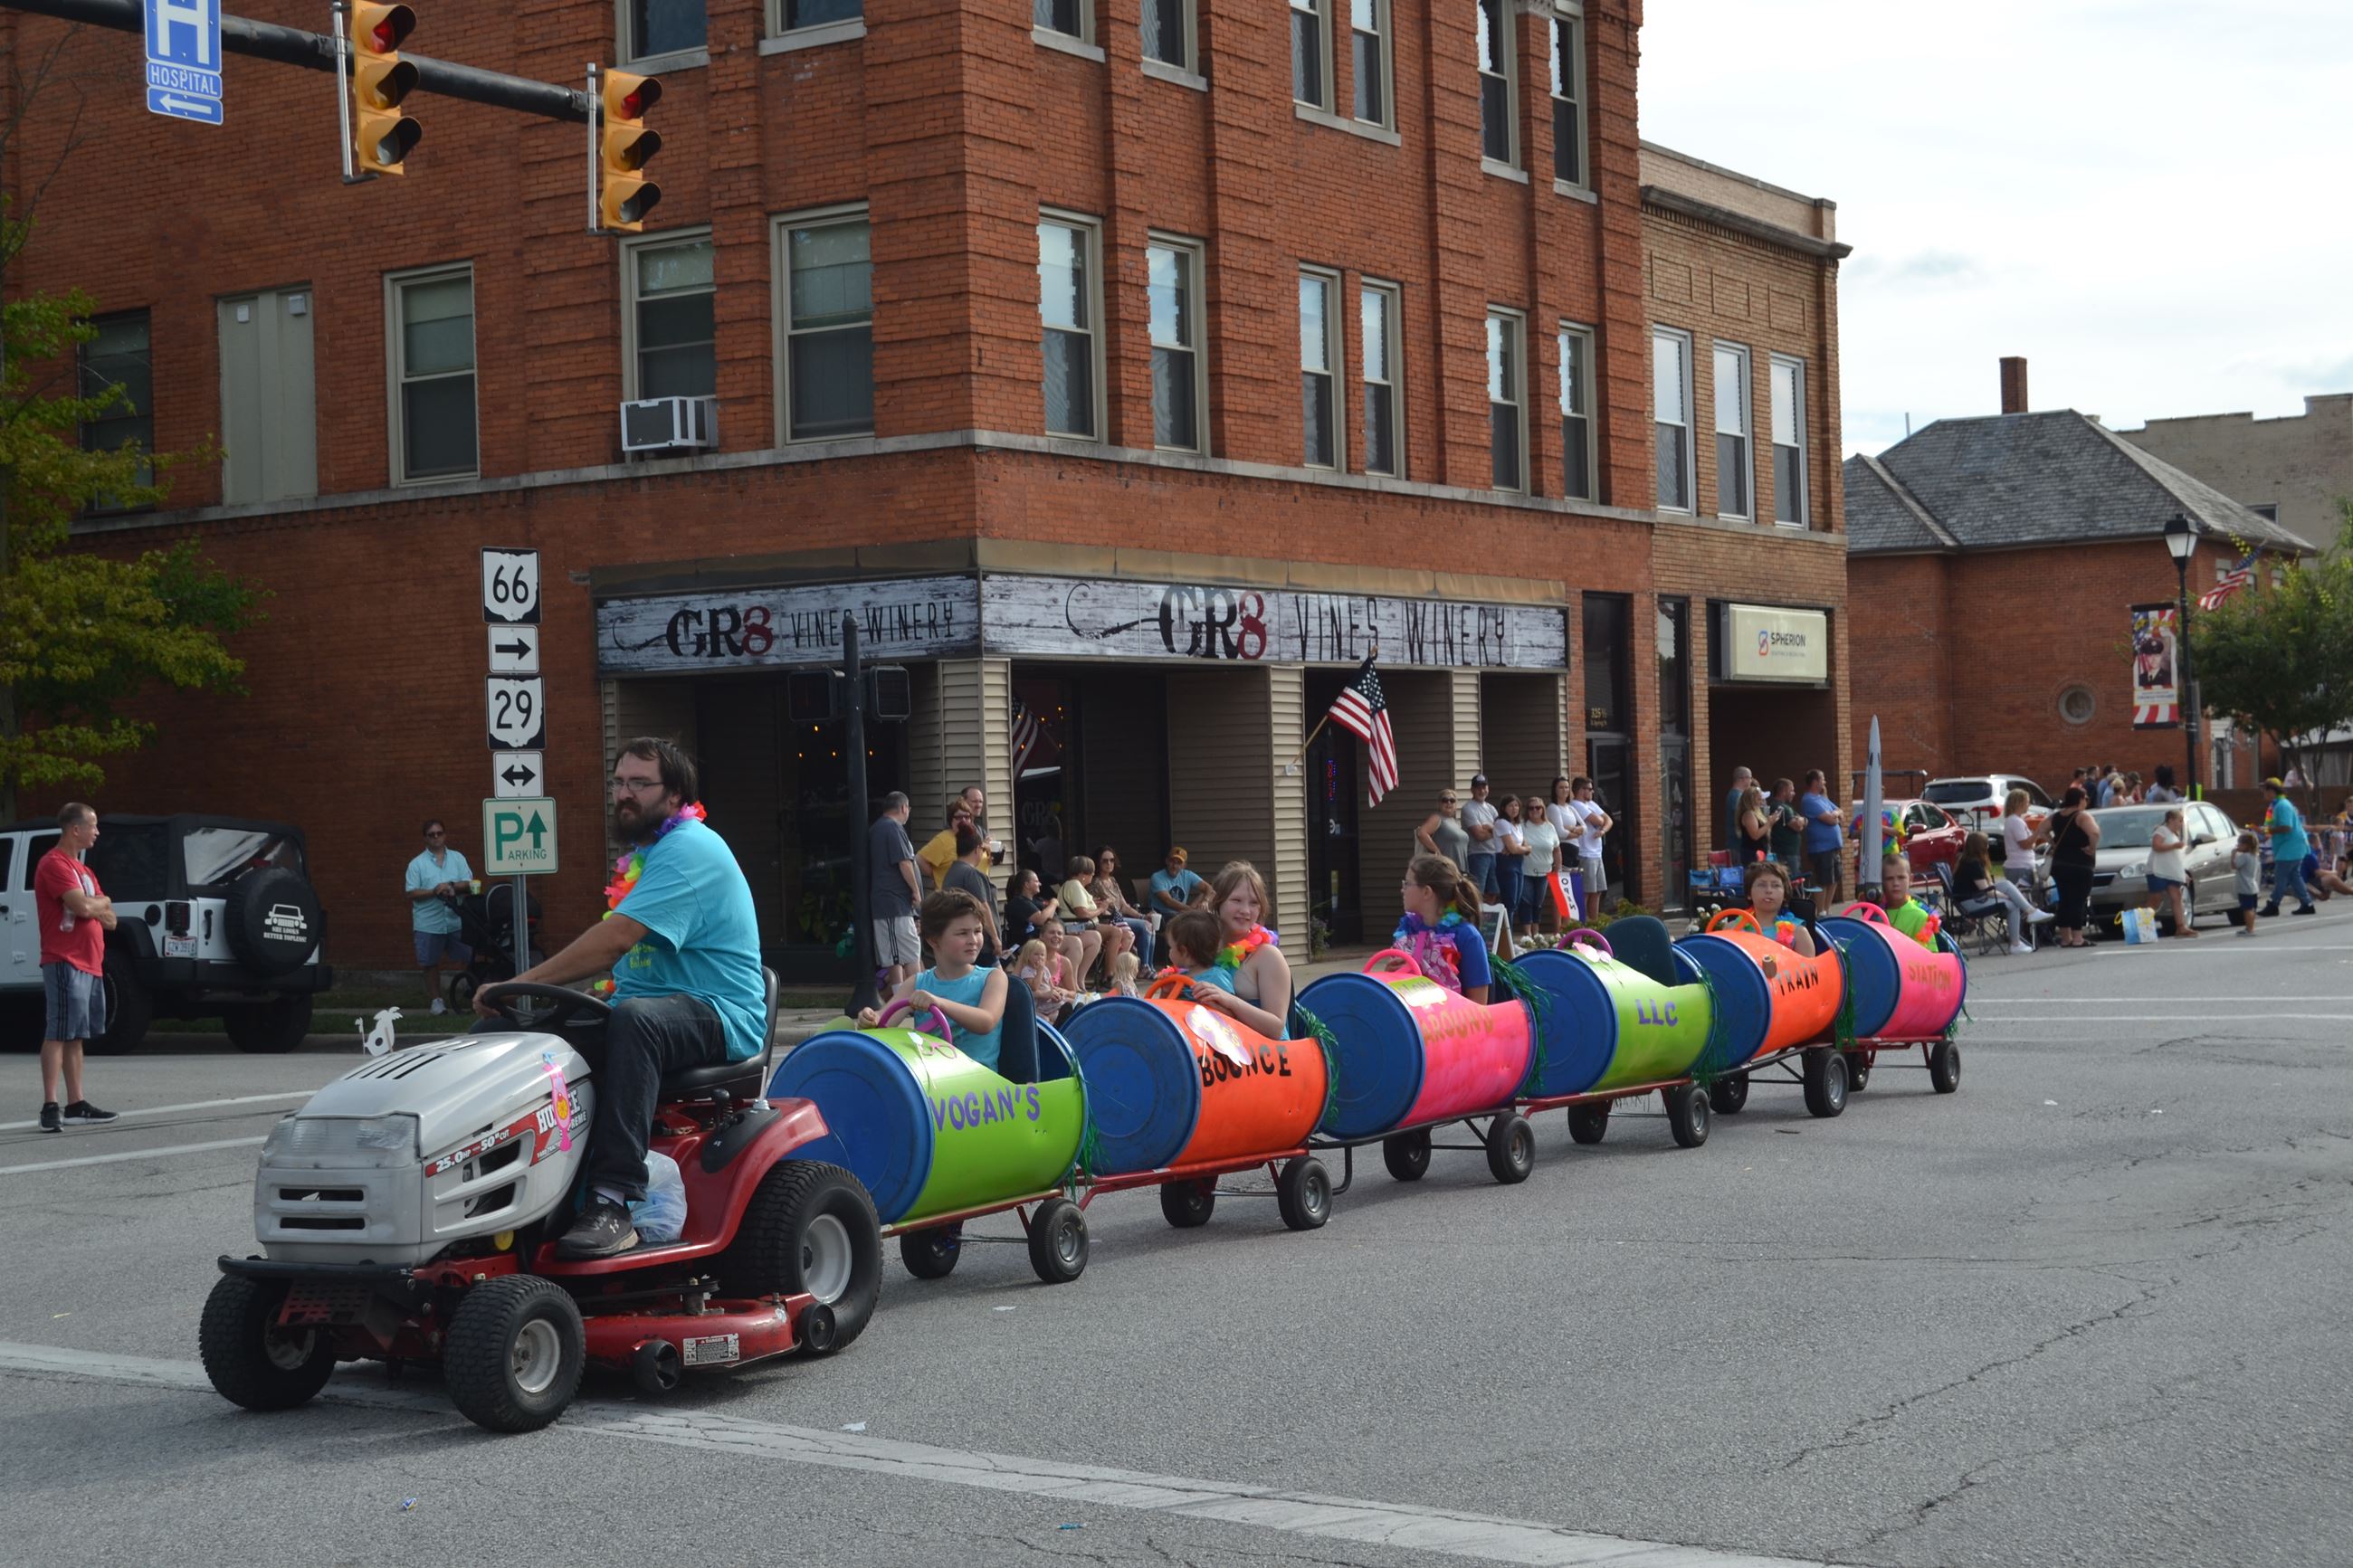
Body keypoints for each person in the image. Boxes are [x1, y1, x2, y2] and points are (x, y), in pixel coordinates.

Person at [479, 738, 765, 1259]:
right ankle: (496, 1189)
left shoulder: (689, 849)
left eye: (640, 783)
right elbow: (623, 966)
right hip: (649, 1008)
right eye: (619, 782)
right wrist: (533, 1006)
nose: (624, 794)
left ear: (676, 795)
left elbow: (615, 940)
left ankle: (613, 1202)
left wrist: (516, 982)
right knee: (500, 1037)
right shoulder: (647, 857)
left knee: (636, 1021)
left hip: (720, 1013)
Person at [33, 803, 119, 1134]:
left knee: (77, 1035)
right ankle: (50, 1106)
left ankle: (76, 1104)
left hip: (90, 961)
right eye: (93, 826)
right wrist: (99, 904)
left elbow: (110, 920)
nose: (97, 832)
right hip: (64, 959)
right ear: (75, 829)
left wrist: (99, 905)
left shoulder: (84, 871)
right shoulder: (54, 863)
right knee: (58, 1030)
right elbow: (83, 906)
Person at [860, 890, 1009, 1071]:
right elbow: (882, 1023)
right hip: (931, 1081)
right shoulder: (917, 983)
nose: (973, 940)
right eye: (962, 933)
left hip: (980, 1087)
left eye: (977, 931)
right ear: (934, 940)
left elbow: (987, 1021)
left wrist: (939, 1003)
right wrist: (869, 1018)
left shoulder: (993, 978)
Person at [1186, 862, 1291, 1037]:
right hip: (1216, 1054)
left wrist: (1229, 1000)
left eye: (1254, 903)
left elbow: (1276, 1028)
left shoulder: (1268, 956)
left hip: (1268, 1058)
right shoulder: (1203, 950)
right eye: (1236, 900)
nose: (1245, 910)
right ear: (1218, 903)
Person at [1394, 853, 1491, 1002]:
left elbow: (1479, 1004)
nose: (1402, 890)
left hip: (1456, 1021)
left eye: (1407, 884)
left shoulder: (1467, 936)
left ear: (1426, 892)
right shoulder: (1409, 931)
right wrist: (1393, 975)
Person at [405, 818, 475, 1013]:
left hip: (455, 920)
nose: (436, 837)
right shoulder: (416, 864)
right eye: (431, 834)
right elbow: (411, 893)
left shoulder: (458, 858)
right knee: (430, 963)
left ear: (445, 835)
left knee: (468, 958)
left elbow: (469, 883)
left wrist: (451, 886)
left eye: (439, 833)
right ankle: (436, 1001)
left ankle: (471, 993)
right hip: (428, 923)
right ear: (425, 838)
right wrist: (434, 891)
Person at [1953, 830, 2046, 955]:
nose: (1988, 847)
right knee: (2012, 905)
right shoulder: (1973, 864)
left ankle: (2031, 912)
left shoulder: (1968, 860)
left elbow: (1988, 887)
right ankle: (2015, 943)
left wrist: (2007, 894)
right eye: (1986, 844)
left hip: (1973, 898)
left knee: (2006, 884)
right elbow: (1987, 891)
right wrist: (2008, 897)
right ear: (1980, 846)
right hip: (1971, 902)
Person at [869, 791, 923, 994]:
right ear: (903, 808)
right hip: (893, 904)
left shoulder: (880, 828)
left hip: (897, 905)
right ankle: (908, 998)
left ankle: (906, 997)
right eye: (908, 808)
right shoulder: (892, 828)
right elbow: (904, 862)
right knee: (904, 954)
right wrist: (915, 891)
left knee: (903, 954)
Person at [1003, 866, 1093, 981]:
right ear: (1026, 885)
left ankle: (1080, 981)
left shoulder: (1036, 901)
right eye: (1036, 881)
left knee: (1093, 937)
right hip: (1028, 944)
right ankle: (1067, 982)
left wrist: (1068, 929)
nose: (1040, 883)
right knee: (1074, 943)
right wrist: (1054, 903)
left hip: (1048, 937)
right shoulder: (1019, 902)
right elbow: (1042, 919)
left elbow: (1052, 919)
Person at [1058, 854, 1131, 980]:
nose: (1093, 875)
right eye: (1091, 872)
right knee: (1116, 932)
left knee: (1126, 935)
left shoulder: (1073, 885)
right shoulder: (1075, 886)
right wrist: (1102, 908)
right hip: (1079, 926)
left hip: (1083, 925)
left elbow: (1081, 906)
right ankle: (1109, 975)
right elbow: (1083, 913)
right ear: (1083, 874)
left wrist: (1094, 905)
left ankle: (1116, 972)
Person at [2044, 785, 2101, 947]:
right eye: (2086, 799)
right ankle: (2078, 938)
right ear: (2081, 800)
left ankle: (2065, 937)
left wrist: (2052, 842)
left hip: (2060, 863)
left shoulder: (2056, 817)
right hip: (2080, 864)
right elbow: (2094, 833)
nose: (2086, 802)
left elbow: (2041, 830)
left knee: (2065, 900)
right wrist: (2092, 847)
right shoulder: (2082, 816)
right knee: (2078, 900)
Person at [941, 823, 1001, 965]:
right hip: (980, 944)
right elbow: (983, 907)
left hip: (960, 939)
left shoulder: (951, 872)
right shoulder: (972, 874)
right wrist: (995, 938)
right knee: (997, 982)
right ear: (977, 850)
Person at [1088, 847, 1155, 968]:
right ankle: (1143, 967)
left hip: (1120, 919)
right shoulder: (1095, 883)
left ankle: (1148, 965)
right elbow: (1091, 905)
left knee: (1149, 924)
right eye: (1105, 861)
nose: (1109, 864)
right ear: (1098, 862)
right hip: (1108, 921)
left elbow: (1124, 906)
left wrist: (1143, 916)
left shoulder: (1112, 880)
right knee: (1144, 926)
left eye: (1112, 860)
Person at [2259, 778, 2316, 916]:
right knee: (2293, 876)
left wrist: (2269, 831)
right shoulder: (2279, 804)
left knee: (2281, 876)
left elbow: (2286, 827)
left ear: (2272, 791)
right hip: (2292, 846)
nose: (2263, 794)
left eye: (2265, 791)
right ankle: (2307, 903)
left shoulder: (2282, 806)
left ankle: (2273, 904)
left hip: (2290, 847)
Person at [1742, 859, 1815, 957]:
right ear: (1749, 894)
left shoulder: (1799, 933)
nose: (1769, 890)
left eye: (1775, 885)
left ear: (1785, 894)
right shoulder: (1733, 929)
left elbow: (1810, 970)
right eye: (1762, 885)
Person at [1517, 785, 1562, 943]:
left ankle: (1537, 932)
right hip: (1526, 870)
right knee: (1526, 901)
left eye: (1538, 808)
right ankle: (1527, 933)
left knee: (1538, 902)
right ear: (1527, 811)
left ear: (1543, 809)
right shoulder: (1522, 827)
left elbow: (1556, 849)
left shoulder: (1549, 827)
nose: (1535, 811)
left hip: (1545, 871)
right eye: (1531, 808)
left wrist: (1558, 868)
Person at [2145, 807, 2196, 938]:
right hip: (2157, 870)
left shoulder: (2174, 835)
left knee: (2177, 896)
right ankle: (2143, 926)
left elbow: (2175, 858)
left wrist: (2182, 873)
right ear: (2171, 820)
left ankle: (2181, 927)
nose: (2181, 824)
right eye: (2179, 820)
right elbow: (2156, 846)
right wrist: (2174, 846)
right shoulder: (2162, 831)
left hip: (2170, 871)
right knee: (2155, 898)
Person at [1566, 775, 1612, 917]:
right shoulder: (1576, 805)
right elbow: (1598, 819)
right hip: (1585, 854)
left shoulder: (1591, 804)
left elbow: (1608, 820)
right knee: (1586, 892)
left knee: (1597, 891)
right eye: (1590, 790)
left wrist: (1603, 830)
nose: (1592, 793)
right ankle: (1582, 924)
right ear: (1581, 790)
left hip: (1597, 853)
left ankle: (1594, 924)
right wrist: (1601, 822)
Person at [1797, 770, 1845, 901]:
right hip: (1821, 848)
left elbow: (1841, 812)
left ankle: (1827, 909)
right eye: (1822, 779)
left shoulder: (1822, 798)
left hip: (1834, 846)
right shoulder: (1809, 800)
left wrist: (1835, 815)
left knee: (1835, 878)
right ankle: (1820, 911)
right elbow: (1830, 820)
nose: (1824, 782)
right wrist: (1835, 816)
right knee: (1823, 880)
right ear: (1815, 782)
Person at [1159, 908, 1232, 993]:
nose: (1170, 951)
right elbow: (1163, 1005)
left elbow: (1229, 1005)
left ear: (1184, 952)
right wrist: (1166, 991)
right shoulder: (1179, 977)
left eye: (1171, 947)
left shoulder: (1217, 977)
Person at [1877, 853, 1939, 948]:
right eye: (1889, 879)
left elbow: (1931, 958)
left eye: (1901, 877)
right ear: (1881, 882)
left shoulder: (1921, 917)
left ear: (1911, 879)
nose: (1896, 883)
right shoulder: (1876, 915)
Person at [1010, 937, 1076, 1022]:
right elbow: (1034, 987)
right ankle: (1061, 1020)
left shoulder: (1045, 969)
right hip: (1038, 1004)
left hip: (1048, 1001)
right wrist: (1040, 971)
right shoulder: (1027, 970)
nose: (1040, 957)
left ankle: (1064, 1018)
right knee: (1046, 1019)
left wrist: (1057, 993)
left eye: (1042, 955)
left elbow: (1051, 986)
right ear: (1028, 956)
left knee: (1070, 1002)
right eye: (1036, 954)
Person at [915, 798, 975, 890]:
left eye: (967, 817)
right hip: (949, 896)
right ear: (951, 820)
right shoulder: (944, 839)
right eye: (958, 817)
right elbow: (919, 858)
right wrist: (936, 876)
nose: (963, 821)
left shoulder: (973, 837)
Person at [1491, 795, 1527, 942]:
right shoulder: (1502, 823)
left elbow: (1525, 845)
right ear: (1503, 808)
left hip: (1519, 863)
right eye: (1511, 806)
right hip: (1506, 864)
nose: (1514, 809)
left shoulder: (1517, 825)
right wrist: (1521, 848)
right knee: (1509, 902)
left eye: (1516, 806)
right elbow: (1511, 848)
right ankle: (1507, 939)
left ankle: (1508, 938)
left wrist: (1523, 848)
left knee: (1516, 902)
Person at [1459, 774, 1500, 898]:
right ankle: (1477, 916)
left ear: (1488, 788)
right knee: (1477, 892)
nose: (1481, 791)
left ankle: (1487, 917)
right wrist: (1494, 830)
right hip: (1478, 855)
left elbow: (1502, 830)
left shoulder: (1491, 808)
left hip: (1494, 854)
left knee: (1493, 892)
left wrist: (1490, 828)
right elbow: (1479, 835)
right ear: (1472, 790)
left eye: (1484, 787)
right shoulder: (1468, 808)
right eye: (1478, 788)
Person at [1416, 787, 1472, 867]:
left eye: (1452, 800)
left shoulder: (1454, 822)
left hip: (1460, 869)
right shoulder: (1437, 818)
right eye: (1445, 800)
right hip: (1445, 869)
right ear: (1439, 804)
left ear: (1456, 804)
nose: (1449, 803)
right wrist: (1438, 853)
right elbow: (1421, 833)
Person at [1148, 847, 1206, 919]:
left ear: (1184, 865)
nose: (1175, 866)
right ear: (1167, 861)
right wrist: (1192, 911)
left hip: (1181, 915)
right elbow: (1168, 901)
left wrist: (1205, 901)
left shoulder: (1188, 875)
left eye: (1179, 863)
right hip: (1162, 915)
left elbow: (1209, 888)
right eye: (1172, 861)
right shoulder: (1157, 877)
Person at [2000, 789, 2039, 888]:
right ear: (2019, 803)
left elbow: (2030, 844)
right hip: (2020, 866)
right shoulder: (2015, 821)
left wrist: (2032, 840)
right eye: (2027, 802)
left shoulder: (2014, 820)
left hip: (2021, 865)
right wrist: (2037, 833)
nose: (2029, 805)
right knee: (2023, 896)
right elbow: (2025, 844)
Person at [1767, 778, 1804, 877]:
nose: (1794, 793)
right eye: (1791, 790)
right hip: (1785, 854)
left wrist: (1802, 820)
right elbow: (1797, 826)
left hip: (1792, 853)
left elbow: (1804, 820)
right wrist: (1800, 821)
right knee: (1791, 882)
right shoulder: (1779, 807)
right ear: (1783, 791)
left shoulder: (1788, 807)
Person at [2232, 830, 2262, 936]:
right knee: (2251, 908)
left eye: (2240, 844)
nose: (2238, 846)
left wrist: (2233, 855)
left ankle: (2249, 929)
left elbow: (2234, 866)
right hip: (2253, 885)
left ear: (2247, 846)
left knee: (2246, 909)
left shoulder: (2244, 857)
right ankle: (2250, 927)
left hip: (2245, 886)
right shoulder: (2255, 856)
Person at [1721, 765, 1755, 860]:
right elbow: (1744, 816)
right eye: (1750, 778)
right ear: (1743, 779)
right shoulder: (1736, 796)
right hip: (1737, 845)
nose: (1751, 781)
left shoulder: (1738, 796)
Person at [1736, 784, 1772, 866]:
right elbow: (1755, 835)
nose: (1761, 802)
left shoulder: (1757, 813)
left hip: (1761, 852)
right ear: (1751, 800)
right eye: (1759, 799)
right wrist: (1769, 823)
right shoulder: (1749, 814)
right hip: (1752, 854)